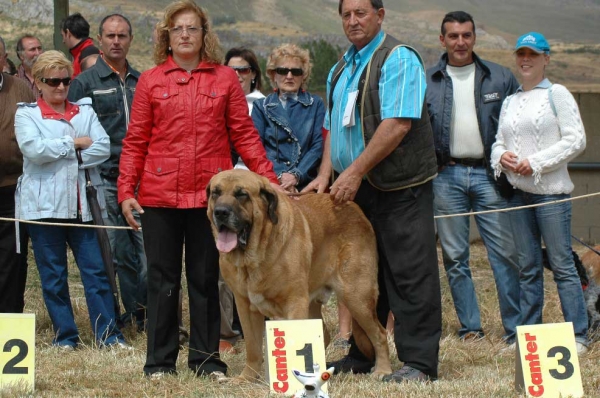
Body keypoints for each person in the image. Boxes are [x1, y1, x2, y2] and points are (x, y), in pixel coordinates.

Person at [117, 0, 279, 379]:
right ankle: (159, 363)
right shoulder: (151, 80)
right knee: (162, 280)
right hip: (159, 197)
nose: (185, 34)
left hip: (211, 201)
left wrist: (267, 179)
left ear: (205, 35)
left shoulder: (224, 79)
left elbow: (244, 135)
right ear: (167, 38)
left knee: (206, 279)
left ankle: (207, 362)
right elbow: (136, 139)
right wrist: (126, 189)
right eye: (178, 29)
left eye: (192, 28)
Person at [303, 0, 441, 383]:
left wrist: (355, 171)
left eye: (361, 13)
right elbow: (334, 126)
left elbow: (397, 124)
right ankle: (364, 355)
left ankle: (419, 363)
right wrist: (327, 173)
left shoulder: (398, 58)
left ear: (380, 16)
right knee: (359, 276)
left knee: (409, 274)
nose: (353, 21)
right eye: (346, 14)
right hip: (355, 188)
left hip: (400, 187)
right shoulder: (340, 67)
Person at [14, 50, 129, 350]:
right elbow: (32, 150)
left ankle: (108, 337)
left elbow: (102, 148)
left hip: (83, 207)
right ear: (38, 82)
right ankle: (66, 337)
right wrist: (75, 144)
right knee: (53, 278)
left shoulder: (85, 111)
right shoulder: (26, 113)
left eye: (66, 80)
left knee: (97, 273)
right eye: (52, 81)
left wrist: (58, 152)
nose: (61, 87)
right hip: (43, 208)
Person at [426, 11, 521, 344]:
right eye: (453, 36)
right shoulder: (428, 80)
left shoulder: (500, 77)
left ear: (474, 37)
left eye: (466, 35)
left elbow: (518, 124)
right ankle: (471, 329)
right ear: (443, 40)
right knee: (455, 256)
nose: (460, 42)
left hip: (489, 175)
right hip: (445, 176)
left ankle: (514, 330)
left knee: (504, 254)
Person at [491, 32, 589, 355]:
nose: (525, 60)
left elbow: (576, 140)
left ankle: (578, 335)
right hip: (518, 195)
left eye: (533, 54)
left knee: (561, 264)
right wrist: (499, 158)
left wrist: (535, 163)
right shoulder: (510, 100)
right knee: (528, 267)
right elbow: (498, 142)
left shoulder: (557, 94)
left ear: (546, 58)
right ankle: (528, 337)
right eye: (521, 54)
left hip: (550, 195)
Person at [68, 13, 147, 332]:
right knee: (114, 252)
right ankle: (119, 317)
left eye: (122, 36)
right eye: (110, 36)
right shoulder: (83, 84)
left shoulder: (142, 82)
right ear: (99, 40)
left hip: (143, 180)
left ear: (130, 40)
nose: (116, 41)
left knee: (146, 254)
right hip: (103, 180)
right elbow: (73, 131)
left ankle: (145, 315)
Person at [217, 46, 266, 353]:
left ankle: (269, 338)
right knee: (225, 267)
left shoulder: (265, 105)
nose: (237, 76)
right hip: (224, 192)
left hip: (256, 195)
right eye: (231, 70)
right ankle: (226, 334)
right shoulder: (217, 101)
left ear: (254, 75)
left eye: (243, 70)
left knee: (266, 265)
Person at [252, 44, 324, 192]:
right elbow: (257, 148)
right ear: (273, 75)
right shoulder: (261, 106)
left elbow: (317, 146)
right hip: (271, 182)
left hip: (306, 184)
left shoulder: (316, 104)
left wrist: (296, 175)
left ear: (303, 75)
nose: (289, 76)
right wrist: (280, 176)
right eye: (283, 71)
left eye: (296, 71)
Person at [0, 35, 35, 314]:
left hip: (13, 189)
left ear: (4, 60)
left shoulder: (21, 89)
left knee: (12, 258)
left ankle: (8, 319)